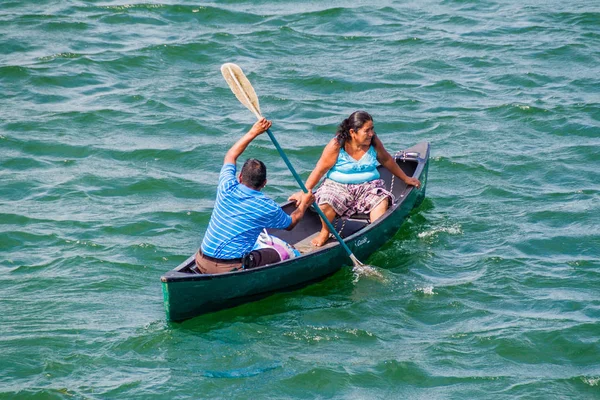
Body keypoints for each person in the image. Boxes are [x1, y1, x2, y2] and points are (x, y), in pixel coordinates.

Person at [196, 117, 314, 274]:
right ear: (264, 183)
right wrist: (305, 204)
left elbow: (230, 155)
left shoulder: (226, 186)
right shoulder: (266, 206)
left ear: (239, 177)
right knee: (284, 252)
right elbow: (290, 224)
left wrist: (254, 131)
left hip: (201, 260)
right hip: (229, 268)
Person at [289, 111, 421, 247]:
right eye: (367, 130)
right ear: (353, 132)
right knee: (326, 200)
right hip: (337, 186)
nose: (371, 134)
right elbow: (320, 169)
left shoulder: (373, 142)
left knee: (381, 201)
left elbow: (386, 160)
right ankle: (325, 232)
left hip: (368, 186)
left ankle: (373, 235)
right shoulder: (337, 144)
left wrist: (405, 178)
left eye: (372, 129)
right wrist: (305, 191)